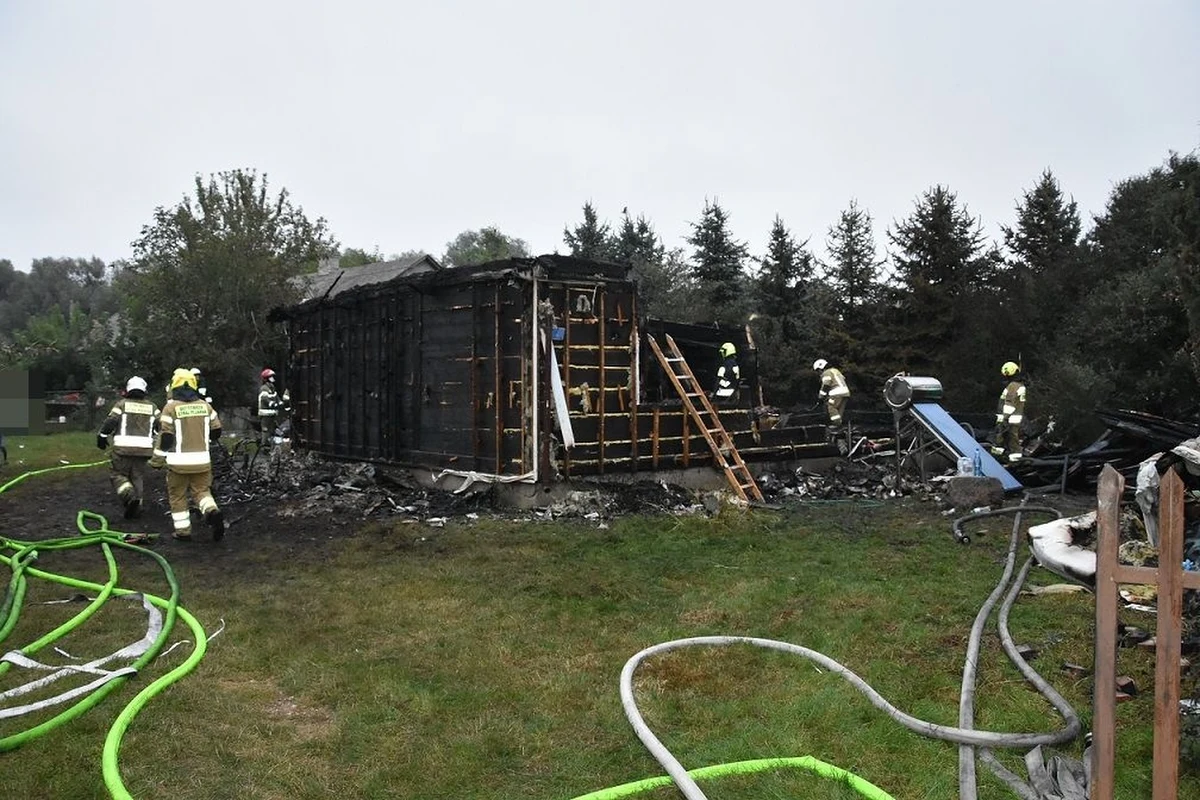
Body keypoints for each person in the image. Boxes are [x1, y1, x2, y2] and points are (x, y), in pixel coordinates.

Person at [157, 367, 224, 541]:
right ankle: (211, 511)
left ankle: (183, 532)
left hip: (177, 465)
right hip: (202, 462)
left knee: (178, 496)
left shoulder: (170, 408)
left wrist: (157, 460)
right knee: (202, 492)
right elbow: (217, 431)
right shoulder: (205, 406)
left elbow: (166, 438)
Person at [96, 376, 159, 519]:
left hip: (122, 450)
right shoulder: (152, 407)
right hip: (144, 450)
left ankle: (129, 496)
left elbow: (111, 421)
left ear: (128, 390)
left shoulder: (121, 405)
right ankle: (138, 505)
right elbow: (160, 424)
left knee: (117, 475)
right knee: (137, 477)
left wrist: (102, 436)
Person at [991, 361, 1026, 463]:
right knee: (1012, 439)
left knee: (1003, 438)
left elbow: (1009, 404)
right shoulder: (1019, 385)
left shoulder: (1013, 386)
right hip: (1015, 417)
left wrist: (1004, 418)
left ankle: (999, 460)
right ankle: (1013, 459)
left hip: (1008, 417)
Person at [257, 368, 290, 447]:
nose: (273, 378)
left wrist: (282, 404)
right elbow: (266, 400)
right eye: (271, 377)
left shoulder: (272, 388)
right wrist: (274, 404)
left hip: (272, 415)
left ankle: (272, 447)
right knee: (266, 431)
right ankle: (264, 446)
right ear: (267, 378)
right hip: (265, 416)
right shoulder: (264, 388)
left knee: (273, 431)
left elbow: (277, 398)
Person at [813, 358, 850, 426]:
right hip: (845, 393)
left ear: (821, 368)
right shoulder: (835, 371)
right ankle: (840, 426)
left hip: (836, 393)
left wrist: (820, 397)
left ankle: (836, 425)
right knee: (839, 412)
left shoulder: (826, 373)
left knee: (831, 407)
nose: (818, 373)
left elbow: (826, 385)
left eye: (818, 370)